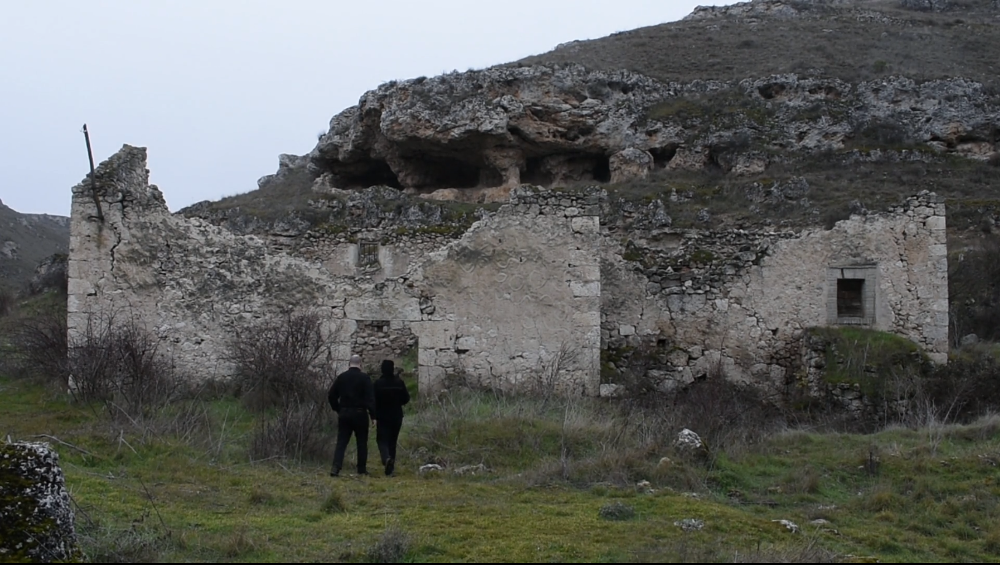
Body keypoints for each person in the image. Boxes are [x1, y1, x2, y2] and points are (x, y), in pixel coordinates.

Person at [328, 354, 375, 477]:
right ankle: (361, 469)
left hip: (344, 412)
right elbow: (370, 399)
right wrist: (373, 416)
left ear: (349, 364)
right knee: (362, 442)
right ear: (360, 364)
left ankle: (336, 467)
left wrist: (338, 409)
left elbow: (331, 395)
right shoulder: (365, 378)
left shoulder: (342, 377)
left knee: (342, 442)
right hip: (360, 413)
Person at [373, 359, 410, 477]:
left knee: (381, 439)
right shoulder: (399, 383)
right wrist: (398, 403)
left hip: (382, 416)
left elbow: (373, 400)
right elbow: (406, 398)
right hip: (396, 416)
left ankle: (386, 458)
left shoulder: (378, 384)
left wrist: (373, 414)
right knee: (392, 441)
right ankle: (390, 468)